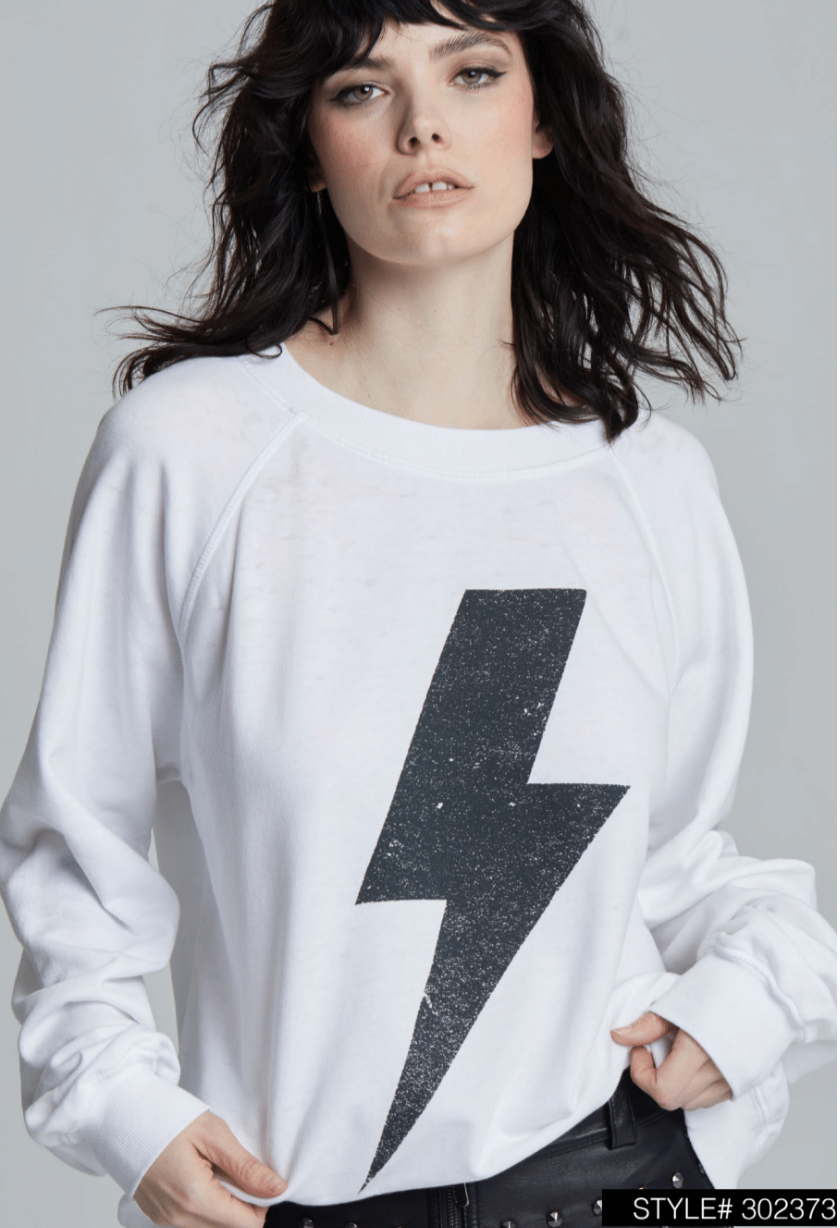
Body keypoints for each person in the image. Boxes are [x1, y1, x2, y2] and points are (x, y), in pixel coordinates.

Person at [0, 1, 835, 1227]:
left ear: (542, 119)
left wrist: (765, 991)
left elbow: (662, 857)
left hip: (611, 1174)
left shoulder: (649, 481)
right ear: (311, 144)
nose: (422, 125)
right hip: (293, 1197)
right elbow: (77, 841)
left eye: (473, 72)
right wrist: (121, 1105)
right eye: (361, 88)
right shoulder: (190, 452)